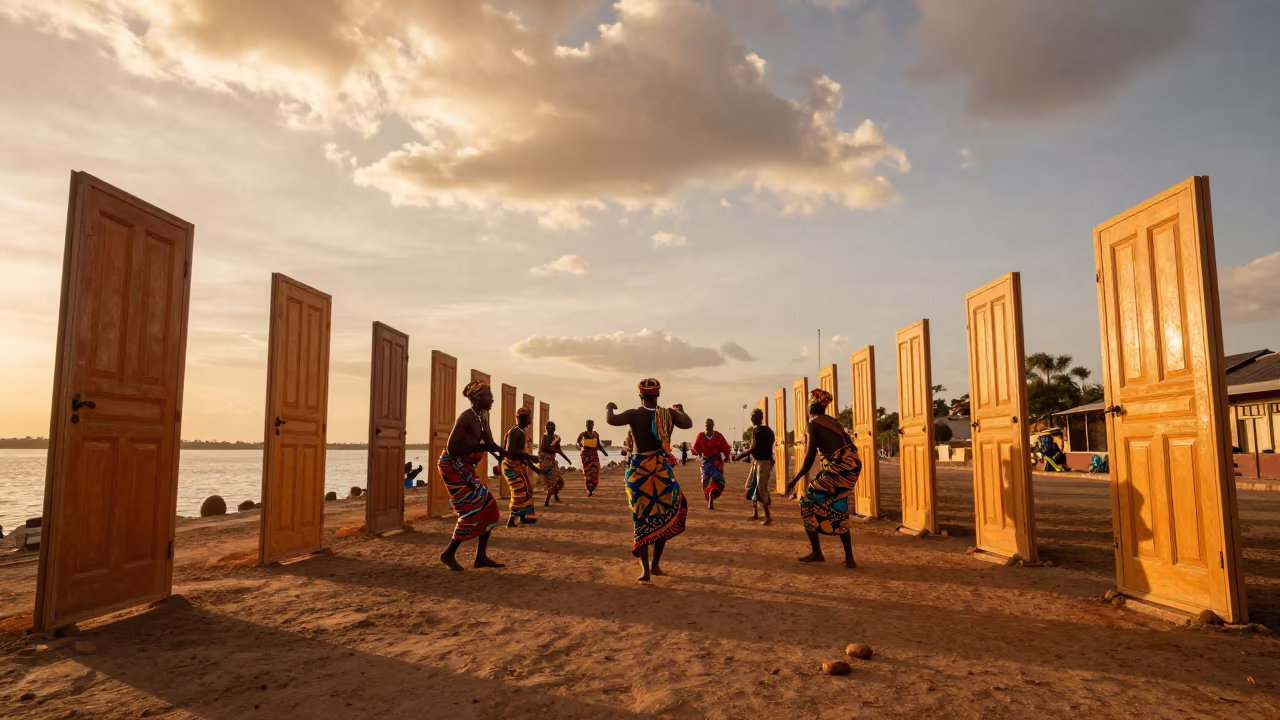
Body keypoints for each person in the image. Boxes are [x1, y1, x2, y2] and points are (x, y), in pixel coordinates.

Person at [606, 378, 693, 582]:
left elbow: (612, 419)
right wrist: (679, 409)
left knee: (642, 519)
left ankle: (645, 569)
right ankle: (655, 565)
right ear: (658, 395)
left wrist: (609, 407)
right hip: (660, 472)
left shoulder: (634, 414)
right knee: (664, 517)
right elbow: (687, 423)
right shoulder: (668, 415)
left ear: (640, 396)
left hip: (638, 474)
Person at [785, 388, 861, 569]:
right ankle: (849, 559)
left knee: (806, 502)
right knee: (839, 504)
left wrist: (795, 480)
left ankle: (817, 553)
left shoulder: (813, 425)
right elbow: (848, 445)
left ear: (812, 406)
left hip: (840, 467)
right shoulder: (833, 422)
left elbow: (810, 456)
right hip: (852, 465)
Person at [437, 381, 506, 571]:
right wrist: (484, 448)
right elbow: (452, 448)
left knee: (489, 507)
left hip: (465, 465)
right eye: (489, 395)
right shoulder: (466, 417)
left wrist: (502, 455)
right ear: (477, 398)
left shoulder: (483, 415)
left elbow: (490, 443)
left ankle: (480, 557)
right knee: (471, 509)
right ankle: (448, 554)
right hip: (452, 464)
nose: (492, 399)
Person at [501, 407, 543, 527]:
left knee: (527, 491)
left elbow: (521, 452)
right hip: (511, 466)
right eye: (527, 418)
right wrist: (531, 457)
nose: (529, 420)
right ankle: (511, 520)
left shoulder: (521, 431)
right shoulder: (515, 432)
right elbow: (511, 450)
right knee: (518, 492)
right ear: (519, 418)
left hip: (518, 466)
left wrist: (533, 467)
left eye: (529, 418)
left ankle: (524, 517)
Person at [733, 408, 774, 525]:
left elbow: (754, 448)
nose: (752, 418)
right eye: (752, 416)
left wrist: (740, 456)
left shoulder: (758, 431)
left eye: (754, 416)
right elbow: (765, 447)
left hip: (762, 463)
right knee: (752, 486)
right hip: (758, 462)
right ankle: (755, 512)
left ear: (761, 418)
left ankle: (767, 516)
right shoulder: (767, 431)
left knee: (761, 489)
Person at [692, 418, 731, 510]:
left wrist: (726, 457)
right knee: (712, 481)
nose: (707, 427)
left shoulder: (717, 436)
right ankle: (711, 496)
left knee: (712, 480)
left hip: (714, 462)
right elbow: (695, 448)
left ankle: (711, 496)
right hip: (707, 462)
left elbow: (725, 447)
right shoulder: (701, 435)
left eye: (709, 425)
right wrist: (697, 453)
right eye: (706, 425)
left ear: (712, 426)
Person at [540, 421, 572, 506]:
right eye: (549, 427)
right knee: (551, 481)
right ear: (546, 428)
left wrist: (567, 459)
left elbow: (559, 451)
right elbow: (545, 447)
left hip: (553, 461)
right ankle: (546, 501)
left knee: (558, 480)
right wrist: (555, 450)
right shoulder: (545, 437)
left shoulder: (556, 438)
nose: (551, 429)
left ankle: (556, 497)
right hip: (546, 461)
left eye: (553, 427)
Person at [577, 420, 608, 496]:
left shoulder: (596, 434)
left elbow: (599, 445)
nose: (589, 426)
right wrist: (580, 445)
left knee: (595, 471)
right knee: (587, 472)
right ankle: (589, 490)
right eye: (588, 424)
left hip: (594, 454)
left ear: (593, 425)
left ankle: (592, 488)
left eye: (591, 424)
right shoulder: (583, 434)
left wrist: (604, 452)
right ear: (586, 425)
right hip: (585, 455)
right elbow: (578, 442)